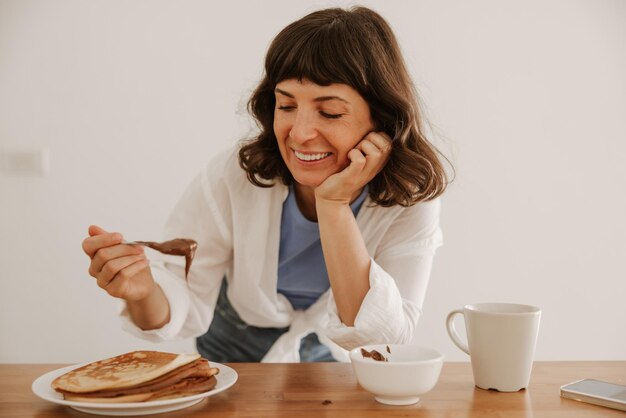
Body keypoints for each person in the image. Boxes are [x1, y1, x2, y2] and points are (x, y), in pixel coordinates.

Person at [82, 6, 449, 363]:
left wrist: (333, 204)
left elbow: (382, 338)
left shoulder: (411, 200)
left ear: (382, 118)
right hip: (231, 346)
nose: (300, 134)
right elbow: (181, 299)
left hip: (327, 350)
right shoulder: (234, 176)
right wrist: (143, 291)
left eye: (329, 112)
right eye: (286, 106)